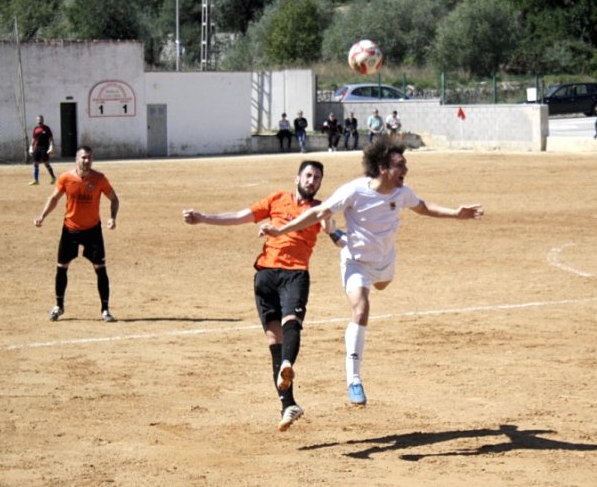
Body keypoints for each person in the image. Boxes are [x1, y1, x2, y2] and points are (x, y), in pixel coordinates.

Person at [259, 136, 484, 406]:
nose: (405, 170)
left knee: (383, 285)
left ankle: (342, 239)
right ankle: (354, 379)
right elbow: (318, 212)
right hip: (355, 263)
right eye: (400, 165)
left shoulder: (402, 193)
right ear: (382, 168)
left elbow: (423, 207)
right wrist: (282, 229)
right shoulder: (354, 190)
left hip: (385, 262)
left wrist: (455, 213)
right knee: (361, 309)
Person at [183, 160, 342, 431]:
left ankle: (288, 365)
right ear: (297, 178)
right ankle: (288, 405)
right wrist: (203, 218)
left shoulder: (319, 208)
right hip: (266, 274)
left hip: (295, 274)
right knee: (273, 340)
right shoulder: (277, 199)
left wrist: (335, 227)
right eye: (308, 175)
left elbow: (332, 231)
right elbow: (239, 216)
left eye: (316, 178)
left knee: (291, 323)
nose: (311, 181)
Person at [33, 146, 119, 322]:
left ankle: (105, 309)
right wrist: (42, 216)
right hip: (70, 229)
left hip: (93, 230)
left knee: (100, 269)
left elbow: (114, 198)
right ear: (76, 159)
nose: (86, 161)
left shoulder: (99, 179)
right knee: (61, 267)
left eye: (89, 158)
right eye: (83, 157)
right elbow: (54, 198)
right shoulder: (66, 178)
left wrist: (112, 218)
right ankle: (59, 306)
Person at [29, 115, 57, 186]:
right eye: (38, 119)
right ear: (36, 120)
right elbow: (33, 138)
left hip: (45, 148)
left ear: (43, 120)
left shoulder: (46, 128)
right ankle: (36, 180)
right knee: (35, 163)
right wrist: (31, 147)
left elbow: (50, 138)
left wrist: (51, 146)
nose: (39, 121)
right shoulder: (35, 129)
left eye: (40, 119)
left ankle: (53, 177)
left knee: (46, 163)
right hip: (37, 148)